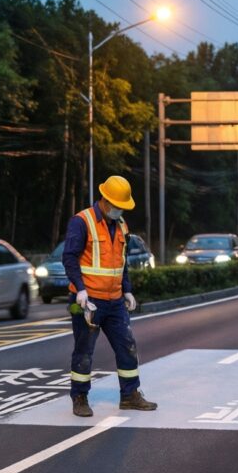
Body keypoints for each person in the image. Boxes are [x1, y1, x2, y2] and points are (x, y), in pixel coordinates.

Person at [63, 175, 157, 417]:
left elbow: (121, 263)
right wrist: (80, 289)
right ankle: (79, 398)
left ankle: (130, 395)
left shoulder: (122, 225)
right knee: (84, 351)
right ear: (105, 200)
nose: (119, 210)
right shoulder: (82, 221)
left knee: (127, 346)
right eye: (117, 206)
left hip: (115, 301)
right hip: (87, 302)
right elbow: (69, 257)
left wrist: (127, 289)